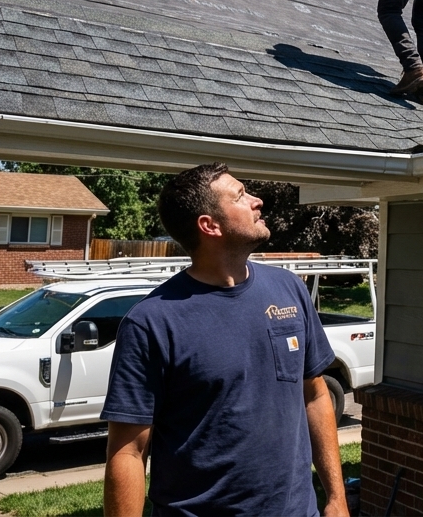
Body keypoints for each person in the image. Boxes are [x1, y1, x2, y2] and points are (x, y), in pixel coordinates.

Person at [101, 163, 346, 517]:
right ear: (210, 225)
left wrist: (336, 497)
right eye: (241, 195)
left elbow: (314, 393)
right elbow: (128, 452)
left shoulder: (289, 289)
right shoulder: (152, 322)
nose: (257, 201)